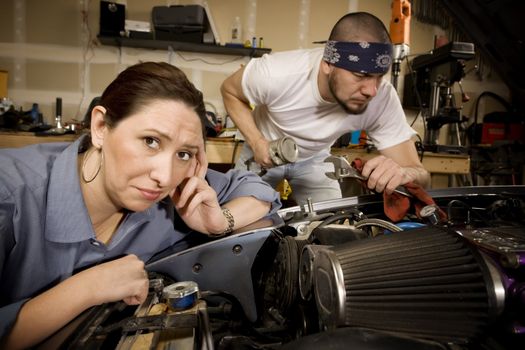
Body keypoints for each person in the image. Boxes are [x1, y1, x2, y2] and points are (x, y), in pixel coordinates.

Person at [0, 62, 281, 349]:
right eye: (150, 141)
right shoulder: (9, 195)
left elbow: (257, 190)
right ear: (100, 127)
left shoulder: (179, 191)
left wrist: (221, 221)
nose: (164, 177)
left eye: (183, 153)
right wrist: (88, 288)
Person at [221, 12, 430, 205]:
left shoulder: (382, 98)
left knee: (333, 227)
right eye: (361, 75)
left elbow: (421, 175)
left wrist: (403, 173)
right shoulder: (276, 73)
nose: (372, 91)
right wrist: (257, 142)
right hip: (264, 152)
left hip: (315, 158)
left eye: (379, 76)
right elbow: (229, 91)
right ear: (327, 64)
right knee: (239, 227)